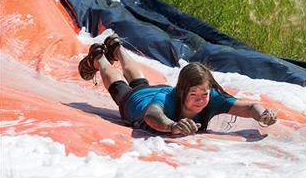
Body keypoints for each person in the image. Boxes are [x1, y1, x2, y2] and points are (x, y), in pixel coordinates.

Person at [78, 34, 277, 135]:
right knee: (120, 86)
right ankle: (99, 58)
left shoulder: (212, 99)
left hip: (153, 91)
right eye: (194, 95)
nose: (200, 101)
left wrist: (262, 114)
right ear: (181, 92)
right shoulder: (166, 99)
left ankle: (117, 47)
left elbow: (250, 107)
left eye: (204, 94)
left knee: (141, 81)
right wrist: (172, 126)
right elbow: (152, 116)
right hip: (136, 101)